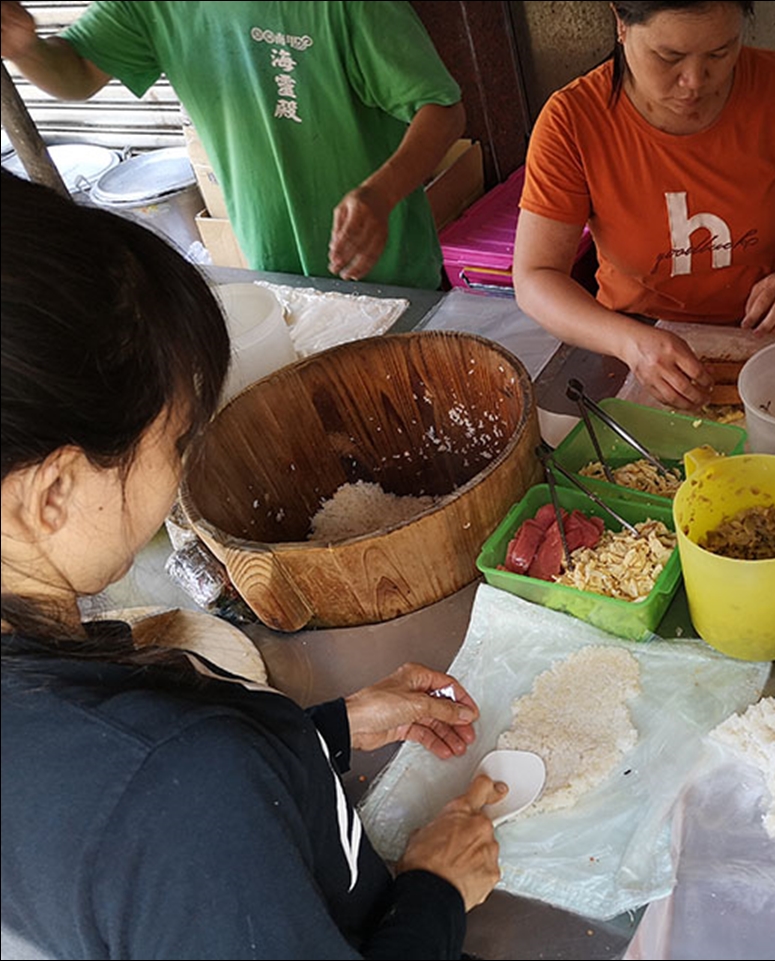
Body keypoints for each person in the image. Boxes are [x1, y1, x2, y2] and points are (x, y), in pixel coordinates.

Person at [0, 173, 504, 960]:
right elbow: (172, 809)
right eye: (173, 443)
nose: (179, 474)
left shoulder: (111, 751)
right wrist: (436, 894)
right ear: (54, 494)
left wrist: (317, 733)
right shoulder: (181, 791)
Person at [513, 0, 775, 410]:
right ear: (621, 23)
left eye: (721, 53)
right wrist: (630, 343)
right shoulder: (572, 121)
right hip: (634, 346)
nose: (695, 82)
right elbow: (535, 277)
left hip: (763, 338)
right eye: (669, 57)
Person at [0, 0, 466, 289]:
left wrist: (382, 193)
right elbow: (77, 73)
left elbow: (442, 110)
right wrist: (26, 48)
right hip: (272, 263)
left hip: (390, 272)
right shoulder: (152, 7)